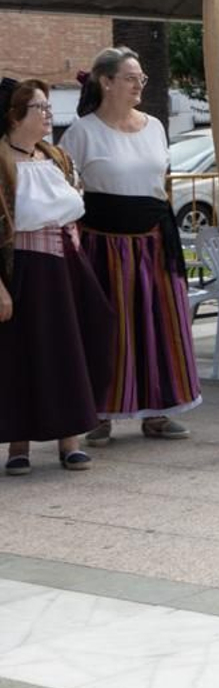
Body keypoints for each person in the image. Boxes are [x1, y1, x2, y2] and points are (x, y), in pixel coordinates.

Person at [60, 48, 200, 445]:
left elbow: (160, 181)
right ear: (106, 82)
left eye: (142, 78)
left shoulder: (154, 126)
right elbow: (65, 188)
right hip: (103, 245)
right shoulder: (81, 133)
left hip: (153, 241)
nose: (139, 84)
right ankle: (99, 413)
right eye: (130, 77)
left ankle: (158, 411)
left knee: (158, 324)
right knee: (107, 329)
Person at [0, 77, 112, 476]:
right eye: (40, 108)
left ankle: (71, 439)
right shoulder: (2, 162)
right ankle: (19, 444)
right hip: (26, 270)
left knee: (72, 349)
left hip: (67, 266)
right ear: (15, 116)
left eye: (48, 107)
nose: (48, 114)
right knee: (24, 354)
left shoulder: (56, 157)